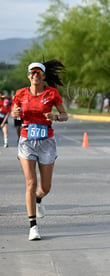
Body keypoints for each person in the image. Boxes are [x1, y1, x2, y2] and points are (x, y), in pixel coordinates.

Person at [11, 60, 68, 241]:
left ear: (43, 76)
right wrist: (15, 114)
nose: (35, 75)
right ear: (28, 76)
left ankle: (38, 199)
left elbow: (65, 115)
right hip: (27, 140)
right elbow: (14, 112)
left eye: (38, 72)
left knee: (45, 187)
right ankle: (33, 226)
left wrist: (55, 117)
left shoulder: (52, 93)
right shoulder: (20, 94)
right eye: (32, 73)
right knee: (30, 182)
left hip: (46, 142)